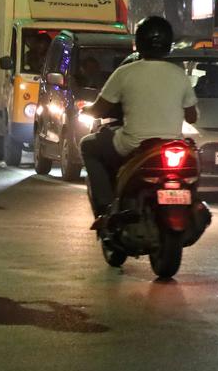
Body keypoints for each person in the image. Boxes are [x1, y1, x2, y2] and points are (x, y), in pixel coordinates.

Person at [80, 17, 198, 222]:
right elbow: (192, 116)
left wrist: (86, 110)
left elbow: (100, 108)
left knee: (88, 145)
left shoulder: (125, 72)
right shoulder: (180, 75)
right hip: (172, 145)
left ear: (139, 43)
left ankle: (105, 207)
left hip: (133, 145)